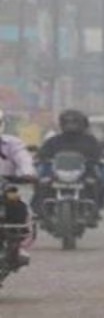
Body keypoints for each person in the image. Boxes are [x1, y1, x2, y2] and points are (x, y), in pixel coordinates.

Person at [33, 109, 104, 218]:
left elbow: (99, 154)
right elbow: (43, 153)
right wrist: (39, 157)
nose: (70, 125)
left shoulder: (90, 141)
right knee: (41, 183)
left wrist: (99, 159)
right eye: (67, 122)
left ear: (82, 124)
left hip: (84, 173)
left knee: (99, 183)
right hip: (57, 173)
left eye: (74, 122)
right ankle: (40, 209)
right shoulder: (54, 140)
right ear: (62, 124)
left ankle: (96, 209)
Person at [0, 109, 36, 266]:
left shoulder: (11, 143)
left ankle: (17, 243)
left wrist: (27, 173)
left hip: (5, 186)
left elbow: (23, 159)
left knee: (17, 204)